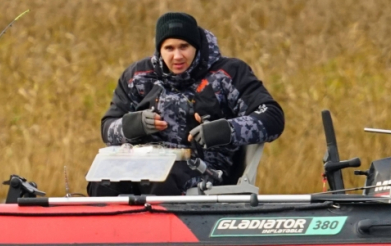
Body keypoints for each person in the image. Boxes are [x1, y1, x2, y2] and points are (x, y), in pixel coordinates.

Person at [98, 12, 284, 194]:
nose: (177, 56)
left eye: (184, 47)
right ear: (159, 50)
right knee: (102, 182)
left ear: (196, 46)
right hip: (144, 164)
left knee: (161, 180)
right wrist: (133, 125)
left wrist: (225, 130)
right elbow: (107, 128)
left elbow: (272, 118)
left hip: (205, 171)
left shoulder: (228, 73)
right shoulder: (137, 76)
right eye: (169, 48)